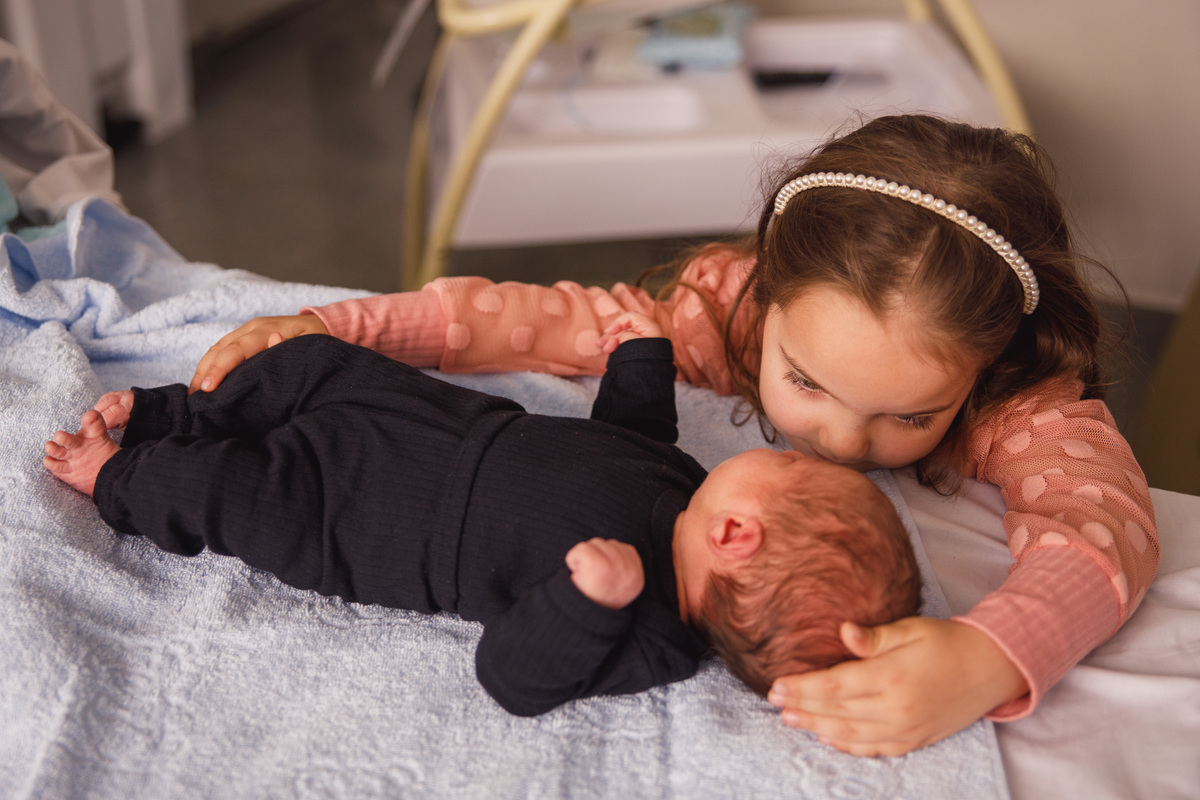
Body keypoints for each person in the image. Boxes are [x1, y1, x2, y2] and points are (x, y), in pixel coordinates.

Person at [185, 114, 1159, 754]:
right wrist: (347, 325)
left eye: (912, 413)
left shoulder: (1021, 396)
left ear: (988, 364)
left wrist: (990, 653)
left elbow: (1103, 520)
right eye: (805, 380)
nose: (844, 439)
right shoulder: (721, 307)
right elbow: (544, 321)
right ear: (764, 298)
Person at [44, 320, 922, 718]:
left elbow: (511, 677)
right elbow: (624, 442)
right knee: (312, 362)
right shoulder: (691, 492)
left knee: (237, 496)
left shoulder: (652, 634)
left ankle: (119, 475)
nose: (786, 451)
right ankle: (172, 414)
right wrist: (639, 368)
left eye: (787, 472)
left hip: (367, 519)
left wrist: (588, 602)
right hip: (434, 425)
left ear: (739, 536)